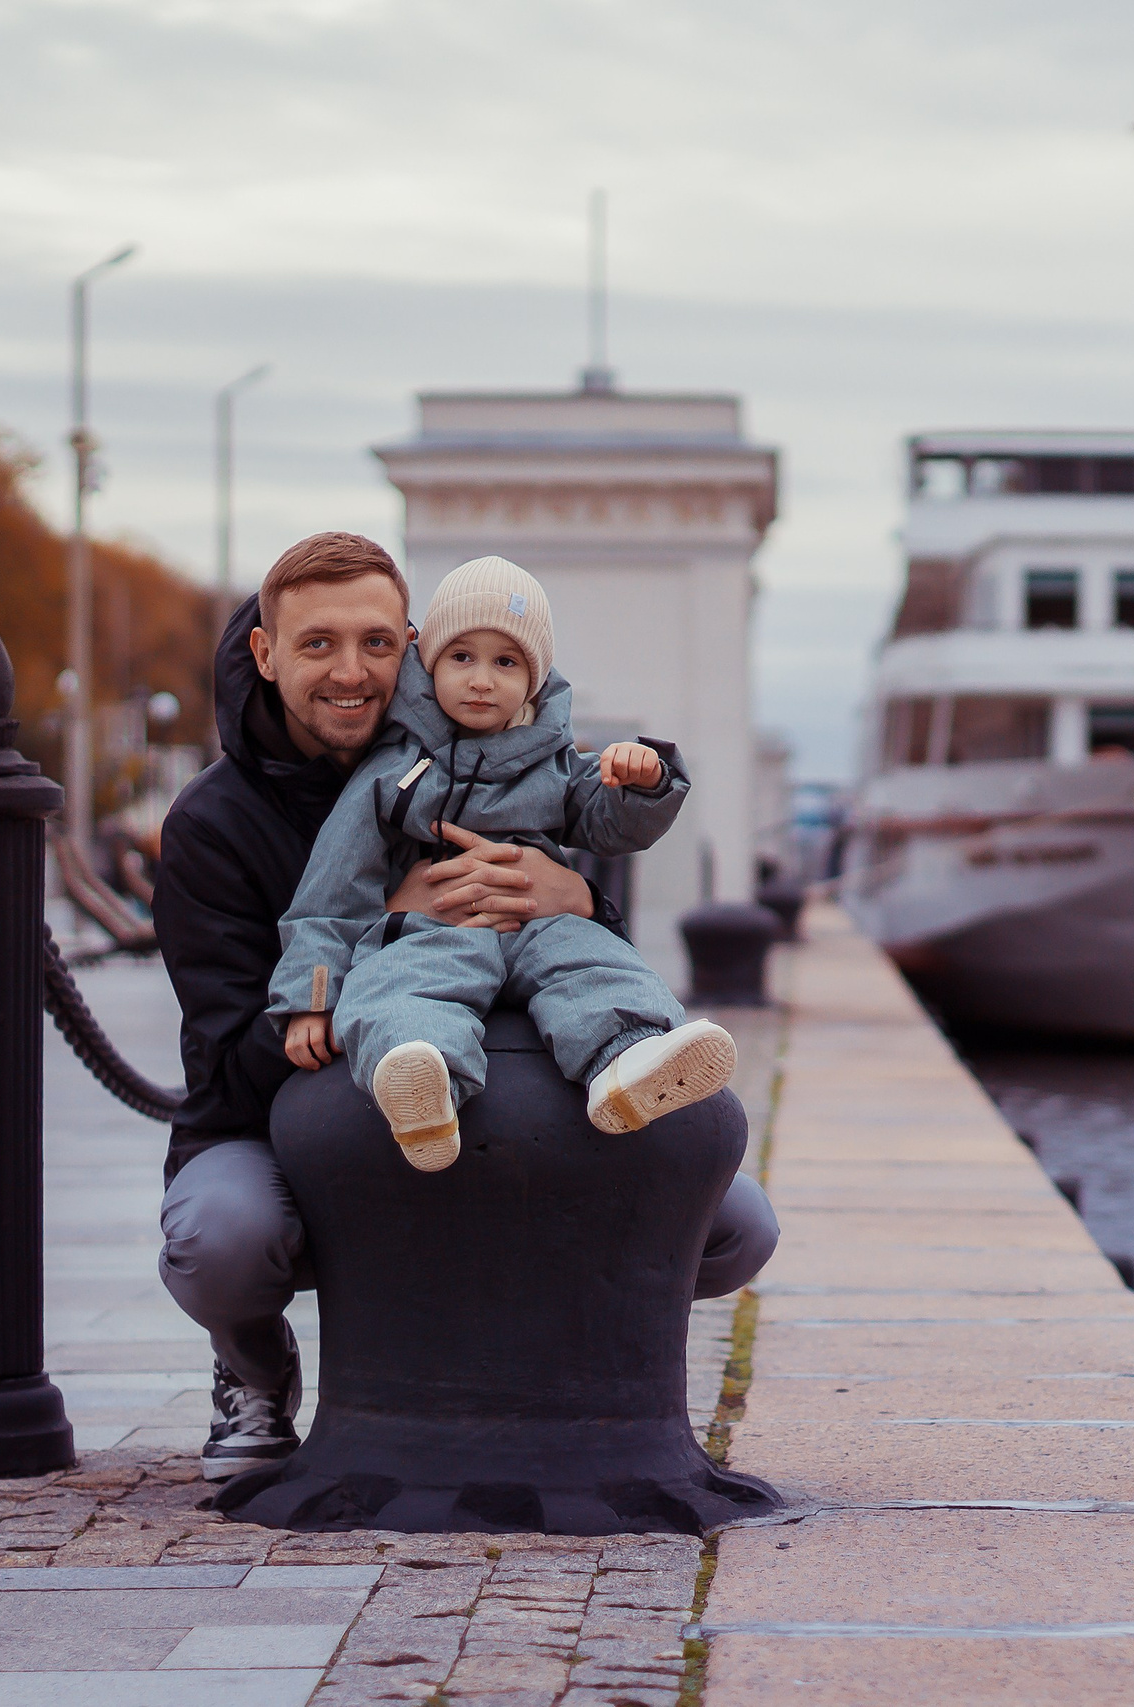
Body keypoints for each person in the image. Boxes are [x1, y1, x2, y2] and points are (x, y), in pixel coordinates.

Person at [155, 532, 778, 1481]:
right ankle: (252, 1362)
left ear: (410, 645)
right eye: (318, 644)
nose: (351, 671)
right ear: (266, 653)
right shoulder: (213, 823)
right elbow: (230, 1057)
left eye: (376, 643)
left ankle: (526, 1335)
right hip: (291, 1109)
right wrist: (387, 929)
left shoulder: (495, 754)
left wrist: (577, 899)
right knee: (224, 1240)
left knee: (735, 1224)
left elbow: (574, 917)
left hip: (507, 1090)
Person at [271, 555, 738, 1169]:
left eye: (506, 662)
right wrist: (313, 993)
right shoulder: (395, 770)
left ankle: (626, 1061)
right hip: (436, 929)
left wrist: (643, 783)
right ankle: (423, 1087)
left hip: (542, 923)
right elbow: (334, 885)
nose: (482, 680)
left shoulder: (556, 761)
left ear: (535, 680)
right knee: (397, 984)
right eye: (462, 657)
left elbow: (609, 825)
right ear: (428, 663)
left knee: (596, 966)